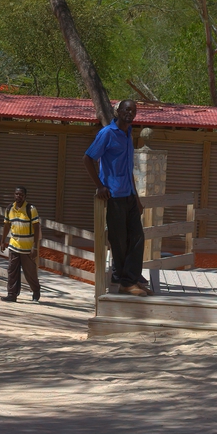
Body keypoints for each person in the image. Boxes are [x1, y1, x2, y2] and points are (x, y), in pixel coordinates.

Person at [86, 99, 151, 296]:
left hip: (129, 195)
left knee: (137, 237)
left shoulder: (129, 133)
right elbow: (88, 158)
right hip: (114, 195)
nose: (130, 113)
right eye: (127, 109)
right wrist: (100, 186)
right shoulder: (107, 133)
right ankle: (125, 282)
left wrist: (137, 198)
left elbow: (128, 168)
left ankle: (130, 278)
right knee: (119, 240)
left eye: (134, 110)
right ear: (118, 111)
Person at [1, 184, 42, 303]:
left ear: (25, 196)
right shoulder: (9, 209)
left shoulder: (31, 209)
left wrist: (35, 246)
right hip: (14, 245)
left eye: (21, 194)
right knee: (12, 270)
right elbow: (7, 225)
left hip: (27, 247)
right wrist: (3, 240)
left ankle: (36, 291)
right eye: (16, 194)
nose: (18, 196)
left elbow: (36, 228)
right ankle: (12, 294)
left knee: (30, 272)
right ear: (14, 195)